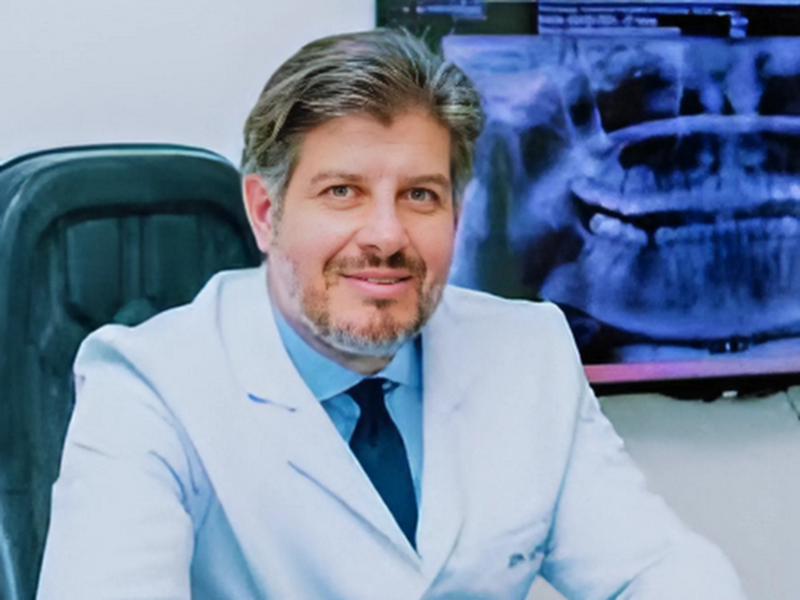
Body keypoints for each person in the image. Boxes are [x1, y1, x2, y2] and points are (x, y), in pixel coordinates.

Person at [37, 29, 746, 600]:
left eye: (420, 196)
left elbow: (655, 567)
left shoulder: (528, 351)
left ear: (457, 215)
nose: (385, 236)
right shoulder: (149, 385)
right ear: (265, 211)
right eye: (342, 192)